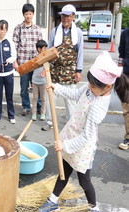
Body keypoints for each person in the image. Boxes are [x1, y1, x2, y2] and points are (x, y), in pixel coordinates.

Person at [38, 51, 129, 212]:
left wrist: (64, 145)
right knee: (63, 170)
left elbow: (86, 136)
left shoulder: (98, 106)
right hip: (72, 135)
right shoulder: (89, 88)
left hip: (82, 147)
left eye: (93, 86)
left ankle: (93, 207)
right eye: (89, 84)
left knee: (84, 180)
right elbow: (74, 94)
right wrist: (56, 88)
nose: (89, 87)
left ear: (107, 87)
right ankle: (53, 201)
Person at [42, 4, 84, 131]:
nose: (65, 18)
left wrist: (78, 71)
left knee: (70, 100)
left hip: (70, 71)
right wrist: (46, 67)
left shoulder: (78, 32)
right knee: (51, 98)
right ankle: (50, 121)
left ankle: (70, 123)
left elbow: (80, 52)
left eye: (68, 16)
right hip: (55, 70)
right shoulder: (54, 31)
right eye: (64, 15)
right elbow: (49, 51)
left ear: (73, 17)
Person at [13, 3, 43, 116]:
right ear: (23, 15)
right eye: (26, 14)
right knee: (24, 88)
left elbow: (42, 48)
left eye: (30, 13)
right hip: (23, 64)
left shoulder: (37, 29)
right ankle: (25, 106)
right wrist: (15, 63)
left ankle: (39, 106)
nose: (28, 16)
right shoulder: (18, 29)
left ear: (33, 14)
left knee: (38, 87)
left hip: (36, 64)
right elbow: (14, 47)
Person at [117, 27, 129, 150]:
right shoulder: (125, 33)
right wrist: (119, 74)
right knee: (126, 109)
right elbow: (121, 53)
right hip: (126, 75)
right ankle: (128, 137)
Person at [31, 39, 48, 121]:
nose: (45, 50)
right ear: (39, 49)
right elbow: (31, 69)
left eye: (46, 48)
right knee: (34, 98)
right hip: (34, 81)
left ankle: (43, 113)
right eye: (44, 48)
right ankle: (34, 113)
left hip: (43, 82)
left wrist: (44, 71)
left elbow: (50, 66)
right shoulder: (35, 58)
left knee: (43, 98)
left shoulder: (47, 57)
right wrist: (31, 82)